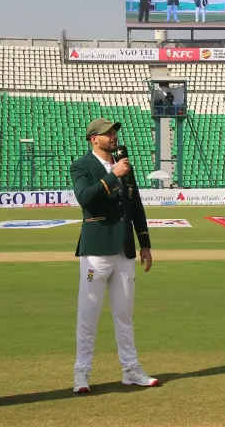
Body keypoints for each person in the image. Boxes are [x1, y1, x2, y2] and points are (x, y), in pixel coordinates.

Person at [70, 118, 157, 394]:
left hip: (124, 249)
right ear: (93, 139)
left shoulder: (125, 165)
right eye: (108, 133)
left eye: (114, 132)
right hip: (96, 249)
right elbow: (85, 198)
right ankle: (81, 374)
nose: (113, 136)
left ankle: (130, 369)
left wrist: (144, 243)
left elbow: (136, 206)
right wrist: (112, 175)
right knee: (89, 313)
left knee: (124, 313)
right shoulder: (82, 165)